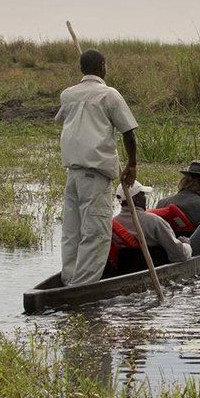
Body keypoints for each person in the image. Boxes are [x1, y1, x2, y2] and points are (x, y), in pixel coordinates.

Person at [56, 48, 138, 287]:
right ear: (102, 66)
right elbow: (129, 133)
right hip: (94, 174)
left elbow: (61, 119)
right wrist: (132, 164)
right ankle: (81, 288)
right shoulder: (109, 95)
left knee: (73, 231)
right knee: (96, 233)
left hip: (73, 174)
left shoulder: (68, 95)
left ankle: (69, 279)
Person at [107, 181, 200, 274]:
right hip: (161, 263)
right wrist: (186, 244)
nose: (145, 198)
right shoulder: (154, 221)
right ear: (136, 199)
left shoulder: (113, 223)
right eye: (142, 195)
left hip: (132, 266)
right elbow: (179, 255)